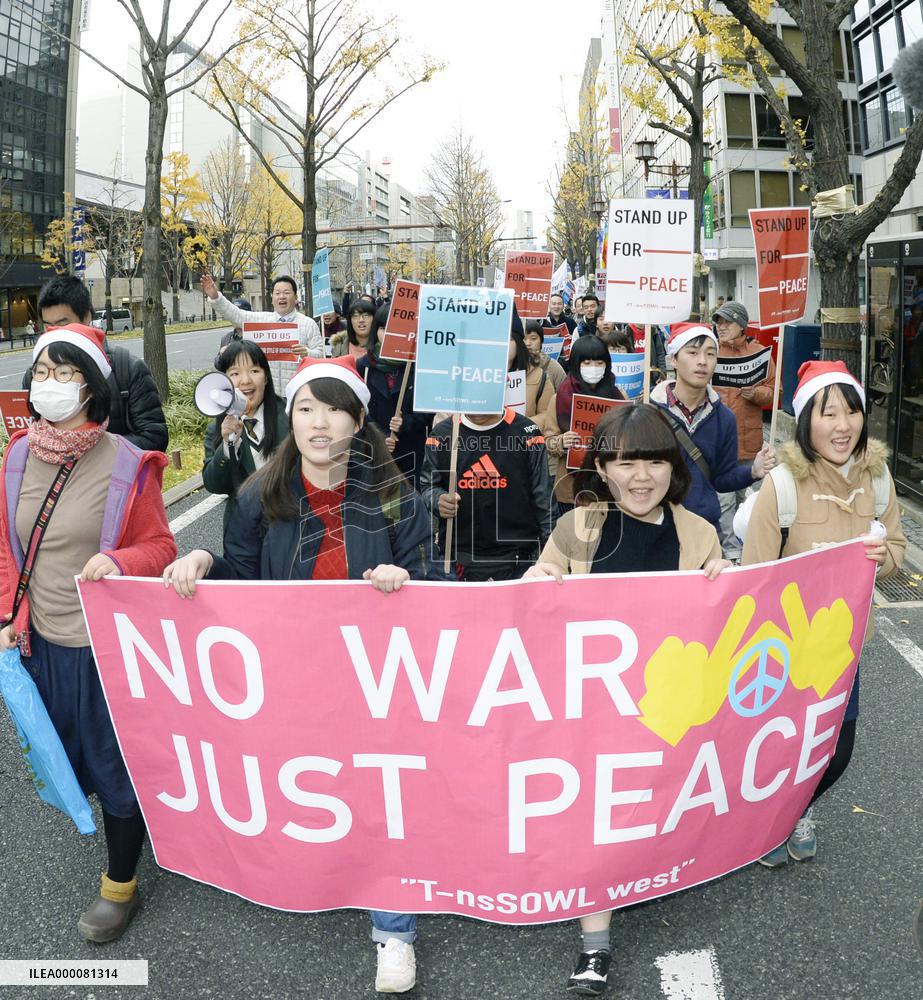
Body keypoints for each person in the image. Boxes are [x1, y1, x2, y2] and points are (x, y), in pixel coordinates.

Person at [163, 354, 445, 994]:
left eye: (335, 410)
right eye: (307, 409)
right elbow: (240, 584)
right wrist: (203, 558)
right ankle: (307, 878)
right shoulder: (257, 496)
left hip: (375, 681)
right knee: (308, 789)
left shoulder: (396, 496)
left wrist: (406, 580)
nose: (320, 424)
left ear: (359, 422)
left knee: (383, 798)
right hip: (290, 679)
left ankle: (394, 930)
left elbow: (432, 582)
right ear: (290, 418)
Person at [524, 403, 729, 997]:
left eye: (655, 462)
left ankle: (648, 874)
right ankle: (596, 943)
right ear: (602, 469)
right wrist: (537, 582)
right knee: (598, 820)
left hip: (667, 711)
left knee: (651, 812)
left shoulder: (699, 533)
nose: (642, 477)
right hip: (594, 709)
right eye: (625, 463)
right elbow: (533, 604)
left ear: (673, 468)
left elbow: (724, 625)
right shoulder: (577, 528)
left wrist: (726, 579)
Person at [0, 323, 176, 942]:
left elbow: (161, 546)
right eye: (42, 372)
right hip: (42, 645)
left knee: (114, 766)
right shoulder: (17, 456)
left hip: (107, 650)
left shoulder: (127, 463)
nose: (49, 383)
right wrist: (7, 617)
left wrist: (120, 561)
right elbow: (7, 548)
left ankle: (120, 885)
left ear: (91, 386)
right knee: (68, 758)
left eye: (65, 372)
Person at [741, 360, 906, 866]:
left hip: (843, 649)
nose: (842, 425)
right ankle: (766, 824)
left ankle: (795, 810)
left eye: (851, 412)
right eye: (828, 413)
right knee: (780, 748)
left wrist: (883, 557)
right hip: (784, 650)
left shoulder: (879, 480)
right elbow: (754, 576)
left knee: (836, 751)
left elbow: (898, 548)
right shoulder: (782, 486)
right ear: (806, 420)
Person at [650, 324, 775, 531]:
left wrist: (753, 471)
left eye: (710, 354)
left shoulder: (724, 418)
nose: (702, 361)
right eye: (692, 352)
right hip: (655, 526)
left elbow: (721, 479)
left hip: (703, 529)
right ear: (674, 359)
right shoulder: (649, 412)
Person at [421, 405, 553, 581]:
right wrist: (438, 500)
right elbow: (428, 486)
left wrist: (551, 552)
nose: (478, 406)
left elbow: (543, 497)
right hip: (460, 557)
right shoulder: (442, 434)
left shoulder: (527, 432)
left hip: (519, 558)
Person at [37, 275, 168, 452]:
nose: (55, 334)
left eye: (63, 325)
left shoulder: (127, 369)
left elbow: (154, 438)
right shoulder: (38, 377)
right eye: (48, 327)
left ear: (86, 317)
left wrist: (90, 450)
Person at [712, 301, 776, 561]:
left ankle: (746, 545)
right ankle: (731, 552)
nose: (721, 326)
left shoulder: (759, 353)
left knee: (745, 499)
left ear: (741, 324)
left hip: (749, 441)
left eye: (727, 322)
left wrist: (756, 393)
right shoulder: (711, 351)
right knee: (724, 500)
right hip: (719, 442)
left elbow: (775, 391)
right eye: (718, 322)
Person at [202, 340, 288, 533]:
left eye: (254, 371)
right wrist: (228, 445)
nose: (245, 380)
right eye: (235, 374)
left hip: (290, 523)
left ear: (266, 377)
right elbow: (215, 485)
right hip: (245, 532)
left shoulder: (291, 415)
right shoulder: (217, 429)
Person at [543, 334, 626, 513]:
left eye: (599, 363)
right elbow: (548, 441)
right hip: (571, 488)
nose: (594, 368)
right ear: (576, 364)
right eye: (587, 363)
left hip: (610, 485)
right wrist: (561, 442)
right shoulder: (559, 399)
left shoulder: (619, 397)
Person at [201, 272, 323, 391]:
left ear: (296, 298)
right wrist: (215, 297)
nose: (281, 296)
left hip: (299, 391)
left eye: (286, 293)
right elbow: (235, 314)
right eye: (277, 293)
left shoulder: (308, 324)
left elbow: (321, 355)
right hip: (269, 392)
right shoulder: (261, 321)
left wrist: (307, 353)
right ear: (272, 298)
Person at [358, 305, 431, 489]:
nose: (388, 335)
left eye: (393, 329)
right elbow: (359, 409)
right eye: (383, 328)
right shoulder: (363, 366)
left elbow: (428, 410)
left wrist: (405, 423)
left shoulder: (420, 365)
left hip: (412, 450)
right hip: (375, 449)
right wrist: (381, 436)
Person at [522, 321, 567, 394]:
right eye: (524, 339)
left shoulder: (554, 367)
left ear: (541, 341)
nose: (528, 343)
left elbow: (565, 396)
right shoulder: (510, 366)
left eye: (533, 338)